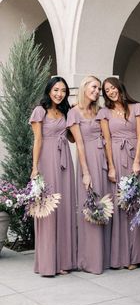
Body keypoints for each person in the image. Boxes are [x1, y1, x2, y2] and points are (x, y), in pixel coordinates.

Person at [96, 77, 140, 269]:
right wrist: (111, 166)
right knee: (120, 206)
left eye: (112, 87)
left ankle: (138, 255)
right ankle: (122, 256)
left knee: (136, 203)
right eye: (106, 90)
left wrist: (137, 161)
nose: (110, 91)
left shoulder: (137, 108)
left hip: (134, 157)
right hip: (116, 158)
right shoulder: (104, 112)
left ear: (120, 87)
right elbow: (107, 140)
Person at [29, 76, 77, 276]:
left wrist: (74, 114)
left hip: (65, 161)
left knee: (64, 209)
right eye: (56, 90)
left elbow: (73, 139)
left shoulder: (66, 111)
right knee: (48, 210)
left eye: (63, 91)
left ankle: (64, 261)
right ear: (49, 90)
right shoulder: (40, 111)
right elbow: (38, 140)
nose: (59, 94)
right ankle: (48, 263)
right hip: (47, 161)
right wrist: (34, 168)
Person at [67, 75, 111, 274]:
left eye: (99, 89)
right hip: (87, 161)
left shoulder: (100, 111)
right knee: (89, 207)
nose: (97, 91)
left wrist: (111, 165)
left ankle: (104, 258)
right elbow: (80, 144)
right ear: (84, 87)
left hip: (101, 159)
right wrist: (85, 172)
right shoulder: (74, 113)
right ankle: (89, 259)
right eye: (94, 87)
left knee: (103, 205)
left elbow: (107, 138)